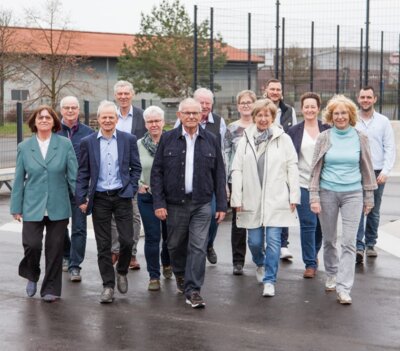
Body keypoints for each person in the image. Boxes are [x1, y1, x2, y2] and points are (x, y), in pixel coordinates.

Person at [151, 98, 227, 308]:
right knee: (174, 245)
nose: (192, 117)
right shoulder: (168, 139)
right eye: (187, 113)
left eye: (196, 113)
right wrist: (159, 202)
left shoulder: (211, 139)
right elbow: (156, 173)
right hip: (175, 204)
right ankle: (180, 274)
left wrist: (221, 205)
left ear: (202, 115)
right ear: (179, 116)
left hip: (202, 203)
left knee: (198, 246)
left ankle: (193, 290)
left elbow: (220, 173)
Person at [309, 95, 377, 305]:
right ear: (331, 116)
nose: (340, 117)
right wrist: (314, 196)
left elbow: (367, 168)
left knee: (348, 242)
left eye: (344, 113)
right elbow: (315, 169)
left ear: (350, 115)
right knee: (329, 240)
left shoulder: (360, 137)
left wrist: (369, 197)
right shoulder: (324, 137)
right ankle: (331, 273)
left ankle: (344, 287)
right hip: (327, 192)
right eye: (336, 113)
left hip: (353, 194)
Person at [230, 99, 300, 297]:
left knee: (274, 241)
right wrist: (237, 198)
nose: (263, 119)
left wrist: (294, 195)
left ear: (273, 117)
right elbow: (237, 169)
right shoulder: (245, 139)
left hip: (277, 198)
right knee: (254, 241)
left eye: (266, 115)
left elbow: (292, 167)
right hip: (252, 198)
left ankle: (270, 279)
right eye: (259, 115)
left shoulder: (283, 139)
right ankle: (260, 263)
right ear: (254, 117)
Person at [75, 100, 141, 304]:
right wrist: (82, 197)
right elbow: (83, 172)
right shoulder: (88, 142)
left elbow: (135, 168)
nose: (107, 120)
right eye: (104, 117)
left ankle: (121, 271)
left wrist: (130, 186)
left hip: (122, 196)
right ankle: (108, 286)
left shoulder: (127, 139)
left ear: (116, 119)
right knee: (103, 245)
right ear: (98, 119)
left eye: (111, 117)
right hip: (101, 198)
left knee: (127, 240)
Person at [10, 105, 78, 302]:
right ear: (34, 122)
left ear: (54, 122)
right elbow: (19, 178)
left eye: (48, 117)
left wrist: (82, 200)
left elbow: (73, 177)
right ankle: (32, 273)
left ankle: (51, 289)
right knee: (32, 245)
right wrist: (16, 206)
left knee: (55, 249)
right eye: (40, 118)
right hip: (32, 204)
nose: (44, 120)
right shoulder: (24, 147)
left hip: (58, 205)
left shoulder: (65, 144)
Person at [175, 88, 226, 265]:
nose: (204, 106)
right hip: (185, 183)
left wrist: (223, 182)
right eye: (201, 103)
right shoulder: (182, 120)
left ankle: (209, 244)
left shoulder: (219, 122)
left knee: (213, 216)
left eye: (207, 103)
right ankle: (196, 250)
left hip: (208, 179)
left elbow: (223, 151)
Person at [287, 92, 330, 278]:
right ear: (301, 108)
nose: (310, 110)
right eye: (306, 107)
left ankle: (313, 252)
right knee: (308, 223)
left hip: (326, 184)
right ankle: (310, 263)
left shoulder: (328, 129)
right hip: (303, 183)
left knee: (321, 226)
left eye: (313, 106)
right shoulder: (294, 131)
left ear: (318, 109)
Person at [355, 86, 396, 264]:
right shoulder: (352, 119)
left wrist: (386, 171)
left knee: (374, 210)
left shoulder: (383, 121)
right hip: (356, 170)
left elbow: (390, 147)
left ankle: (370, 243)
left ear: (375, 99)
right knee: (356, 208)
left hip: (377, 170)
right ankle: (358, 246)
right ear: (358, 99)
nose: (366, 100)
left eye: (369, 97)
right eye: (363, 97)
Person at [58, 96, 94, 282]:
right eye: (66, 107)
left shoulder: (89, 133)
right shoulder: (54, 131)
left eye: (73, 107)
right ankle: (66, 254)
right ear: (61, 110)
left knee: (79, 228)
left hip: (80, 188)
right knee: (60, 226)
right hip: (58, 188)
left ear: (78, 110)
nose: (70, 111)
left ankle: (75, 266)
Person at [111, 80, 145, 270]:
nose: (123, 97)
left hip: (133, 174)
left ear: (132, 95)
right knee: (113, 216)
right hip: (111, 174)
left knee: (133, 215)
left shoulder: (141, 116)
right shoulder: (109, 115)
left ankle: (131, 254)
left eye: (126, 93)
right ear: (115, 96)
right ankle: (116, 251)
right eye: (120, 93)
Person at [137, 106, 171, 291]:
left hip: (169, 198)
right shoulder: (138, 145)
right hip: (147, 197)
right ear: (145, 124)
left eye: (157, 120)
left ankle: (167, 262)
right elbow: (131, 168)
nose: (154, 124)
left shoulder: (172, 141)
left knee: (169, 236)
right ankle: (153, 276)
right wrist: (138, 185)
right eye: (150, 121)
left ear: (163, 122)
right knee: (152, 236)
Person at [264, 78, 297, 260]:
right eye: (272, 89)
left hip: (281, 161)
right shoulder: (260, 107)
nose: (275, 92)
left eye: (278, 89)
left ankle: (283, 244)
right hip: (264, 161)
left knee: (283, 202)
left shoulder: (289, 111)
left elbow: (292, 136)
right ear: (266, 90)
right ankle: (265, 241)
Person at [224, 89, 256, 275]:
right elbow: (225, 154)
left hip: (258, 180)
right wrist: (226, 182)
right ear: (238, 106)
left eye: (249, 102)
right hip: (236, 180)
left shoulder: (261, 126)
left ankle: (259, 256)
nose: (245, 105)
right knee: (238, 220)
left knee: (258, 218)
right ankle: (238, 260)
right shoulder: (231, 129)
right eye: (242, 102)